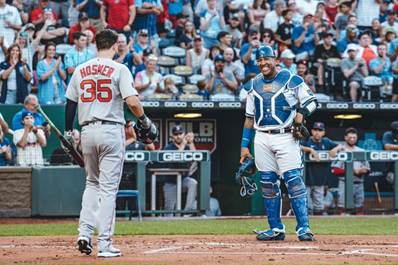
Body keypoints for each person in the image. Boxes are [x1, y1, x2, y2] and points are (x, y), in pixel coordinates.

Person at [64, 29, 156, 257]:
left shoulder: (81, 69)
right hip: (110, 131)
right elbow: (133, 102)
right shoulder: (120, 68)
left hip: (86, 131)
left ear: (96, 45)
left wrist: (68, 132)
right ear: (115, 46)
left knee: (92, 184)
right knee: (107, 189)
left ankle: (84, 234)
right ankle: (104, 243)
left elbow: (70, 103)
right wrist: (143, 119)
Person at [240, 45, 317, 241]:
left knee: (293, 181)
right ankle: (276, 229)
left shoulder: (291, 79)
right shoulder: (252, 85)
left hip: (286, 136)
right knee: (267, 184)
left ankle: (303, 228)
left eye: (266, 59)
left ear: (275, 59)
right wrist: (243, 146)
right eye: (259, 60)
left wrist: (300, 114)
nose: (263, 63)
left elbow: (312, 101)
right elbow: (249, 119)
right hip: (262, 137)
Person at [300, 122, 342, 215]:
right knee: (306, 205)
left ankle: (318, 227)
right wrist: (310, 150)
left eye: (320, 130)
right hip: (306, 178)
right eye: (315, 130)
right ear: (311, 131)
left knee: (319, 206)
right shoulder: (308, 140)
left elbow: (340, 146)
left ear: (323, 132)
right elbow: (298, 146)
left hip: (320, 179)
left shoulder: (326, 141)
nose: (317, 132)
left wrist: (335, 149)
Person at [332, 127, 371, 215]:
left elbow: (368, 169)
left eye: (354, 137)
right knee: (342, 209)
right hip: (344, 183)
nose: (352, 139)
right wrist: (353, 171)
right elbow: (335, 170)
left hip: (358, 183)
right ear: (345, 137)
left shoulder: (361, 151)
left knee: (359, 209)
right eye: (350, 137)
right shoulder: (341, 151)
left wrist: (362, 170)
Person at [162, 125, 198, 215]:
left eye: (180, 133)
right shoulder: (168, 148)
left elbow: (196, 157)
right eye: (175, 134)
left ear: (184, 134)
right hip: (171, 182)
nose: (178, 136)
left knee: (193, 183)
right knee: (169, 211)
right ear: (172, 136)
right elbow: (176, 158)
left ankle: (187, 212)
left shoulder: (187, 146)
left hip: (183, 180)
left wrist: (191, 143)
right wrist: (183, 144)